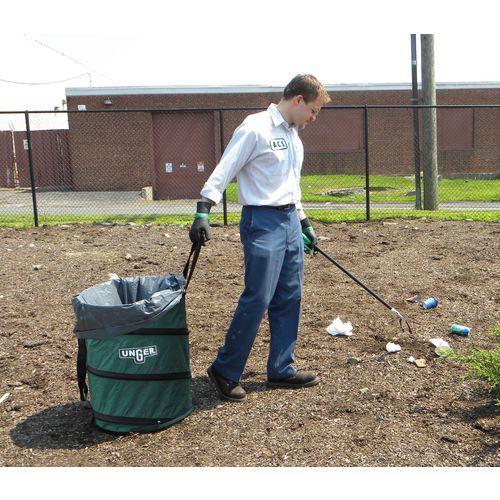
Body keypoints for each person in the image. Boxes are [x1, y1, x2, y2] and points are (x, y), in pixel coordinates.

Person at [189, 74, 331, 402]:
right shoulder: (255, 128)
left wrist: (304, 223)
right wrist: (203, 210)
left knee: (290, 296)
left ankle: (281, 368)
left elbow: (290, 188)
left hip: (288, 222)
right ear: (298, 100)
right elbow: (225, 169)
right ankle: (224, 370)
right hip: (262, 222)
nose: (314, 117)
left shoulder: (294, 137)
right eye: (314, 110)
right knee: (258, 298)